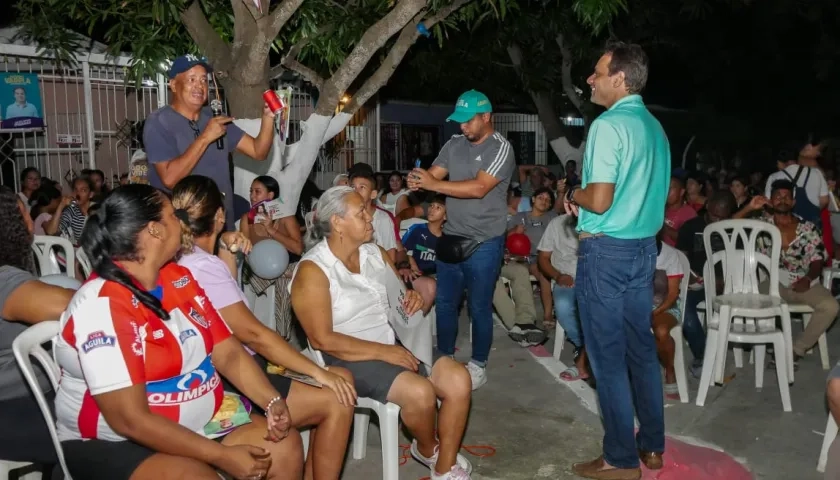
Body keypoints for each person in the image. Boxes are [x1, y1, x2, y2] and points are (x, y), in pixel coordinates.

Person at [54, 184, 303, 480]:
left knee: (285, 446)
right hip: (117, 440)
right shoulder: (104, 304)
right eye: (173, 215)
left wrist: (271, 400)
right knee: (195, 476)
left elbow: (227, 351)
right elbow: (129, 420)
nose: (182, 222)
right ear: (155, 231)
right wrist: (221, 456)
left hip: (196, 422)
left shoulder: (178, 277)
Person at [174, 175, 355, 480]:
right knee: (338, 396)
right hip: (232, 376)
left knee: (342, 377)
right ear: (219, 216)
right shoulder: (200, 267)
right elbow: (254, 335)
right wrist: (316, 372)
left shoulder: (188, 258)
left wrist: (225, 247)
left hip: (236, 364)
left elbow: (225, 296)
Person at [291, 186, 474, 480]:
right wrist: (384, 352)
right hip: (345, 357)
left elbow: (399, 299)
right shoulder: (313, 271)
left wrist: (411, 298)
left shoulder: (374, 253)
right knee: (420, 393)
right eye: (361, 213)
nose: (370, 217)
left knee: (458, 379)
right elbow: (321, 339)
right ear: (337, 222)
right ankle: (428, 449)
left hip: (392, 340)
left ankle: (444, 468)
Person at [566, 42, 670, 480]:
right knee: (642, 351)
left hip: (607, 253)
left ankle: (620, 460)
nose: (590, 79)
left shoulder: (609, 125)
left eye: (597, 72)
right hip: (644, 250)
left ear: (620, 79)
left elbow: (601, 198)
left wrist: (573, 194)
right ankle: (652, 448)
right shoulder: (655, 127)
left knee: (607, 360)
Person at [407, 89, 515, 390]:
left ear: (486, 117)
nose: (463, 127)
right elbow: (434, 174)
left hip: (484, 241)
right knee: (445, 302)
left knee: (479, 306)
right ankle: (444, 359)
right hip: (452, 235)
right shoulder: (454, 143)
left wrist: (435, 183)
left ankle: (478, 363)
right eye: (459, 121)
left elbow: (480, 187)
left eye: (468, 121)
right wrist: (419, 179)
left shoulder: (500, 148)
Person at [143, 55, 276, 227]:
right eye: (192, 79)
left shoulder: (214, 118)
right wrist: (206, 137)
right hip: (182, 229)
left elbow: (259, 152)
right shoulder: (159, 122)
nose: (199, 85)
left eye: (204, 80)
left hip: (220, 224)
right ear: (173, 85)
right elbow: (169, 178)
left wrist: (268, 117)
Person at [0, 186, 75, 471]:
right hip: (14, 409)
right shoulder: (6, 282)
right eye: (23, 217)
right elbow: (80, 305)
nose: (31, 223)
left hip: (17, 402)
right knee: (99, 429)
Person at [735, 180, 839, 369]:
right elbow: (729, 227)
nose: (782, 200)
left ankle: (795, 350)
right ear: (770, 201)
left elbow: (817, 259)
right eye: (777, 197)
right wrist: (749, 207)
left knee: (831, 306)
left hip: (803, 281)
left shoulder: (808, 228)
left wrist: (808, 278)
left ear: (793, 202)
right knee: (752, 297)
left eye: (786, 197)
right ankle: (773, 341)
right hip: (773, 283)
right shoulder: (761, 226)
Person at [675, 191, 738, 378]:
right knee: (683, 309)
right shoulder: (691, 227)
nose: (717, 220)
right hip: (698, 284)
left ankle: (708, 358)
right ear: (707, 207)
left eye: (722, 217)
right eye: (713, 215)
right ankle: (703, 355)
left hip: (726, 284)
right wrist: (691, 276)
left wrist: (724, 277)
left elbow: (741, 262)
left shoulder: (734, 229)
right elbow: (681, 258)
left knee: (720, 312)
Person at [537, 212, 587, 381]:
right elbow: (543, 258)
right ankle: (584, 346)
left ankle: (588, 352)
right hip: (566, 277)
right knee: (564, 306)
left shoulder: (600, 219)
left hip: (593, 278)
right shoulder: (557, 223)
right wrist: (558, 276)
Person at [507, 187, 557, 327]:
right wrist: (515, 231)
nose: (544, 201)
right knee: (534, 271)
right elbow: (504, 236)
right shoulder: (519, 216)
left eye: (547, 200)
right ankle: (538, 315)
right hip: (521, 258)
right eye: (541, 197)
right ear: (533, 199)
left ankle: (548, 313)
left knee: (543, 272)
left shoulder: (551, 217)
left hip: (544, 257)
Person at [764, 135, 831, 227]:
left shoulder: (774, 177)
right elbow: (824, 200)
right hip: (811, 228)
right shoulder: (816, 173)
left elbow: (769, 204)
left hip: (783, 228)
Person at [400, 194, 446, 314]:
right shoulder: (417, 229)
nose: (432, 209)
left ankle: (420, 320)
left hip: (432, 275)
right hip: (411, 272)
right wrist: (411, 264)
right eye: (431, 206)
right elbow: (403, 250)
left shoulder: (446, 239)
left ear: (445, 216)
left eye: (438, 208)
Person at [651, 238, 685, 399]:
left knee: (662, 330)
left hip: (665, 304)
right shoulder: (630, 250)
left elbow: (672, 294)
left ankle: (669, 369)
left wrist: (655, 312)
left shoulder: (670, 255)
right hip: (637, 304)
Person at [50, 176, 94, 245]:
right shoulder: (72, 210)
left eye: (83, 190)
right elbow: (51, 232)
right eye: (75, 190)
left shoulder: (97, 209)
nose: (78, 193)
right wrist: (61, 205)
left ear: (91, 194)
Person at [661, 176, 696, 247]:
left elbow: (686, 239)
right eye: (665, 188)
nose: (666, 191)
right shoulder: (661, 208)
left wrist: (662, 226)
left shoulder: (689, 213)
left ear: (681, 192)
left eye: (670, 188)